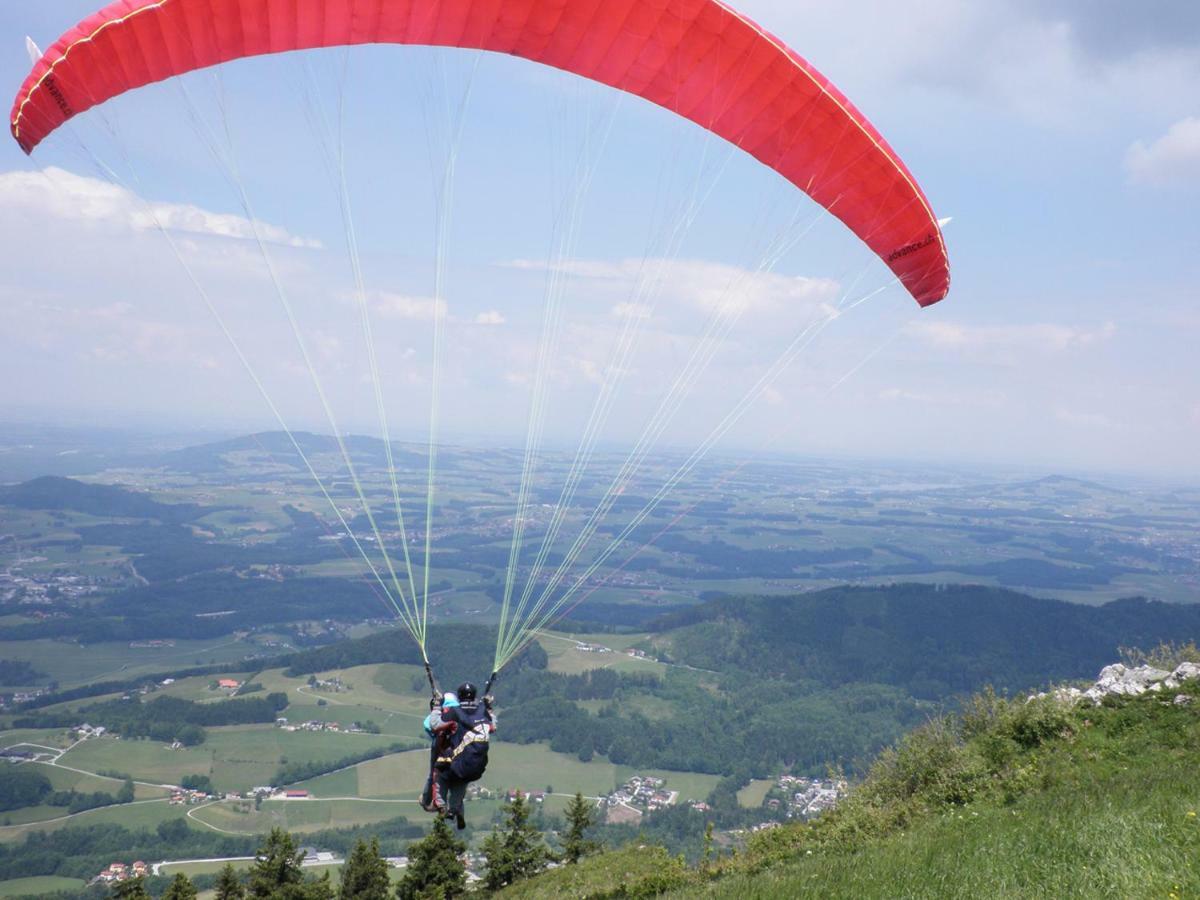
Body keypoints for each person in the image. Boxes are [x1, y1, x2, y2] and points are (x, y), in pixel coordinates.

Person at [432, 681, 495, 829]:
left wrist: (436, 706)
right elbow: (493, 726)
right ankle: (454, 809)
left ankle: (442, 806)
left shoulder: (455, 711)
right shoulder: (483, 711)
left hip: (458, 762)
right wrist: (489, 707)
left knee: (441, 773)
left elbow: (435, 725)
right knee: (461, 778)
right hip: (477, 766)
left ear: (459, 696)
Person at [419, 692, 457, 812]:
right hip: (453, 748)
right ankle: (452, 805)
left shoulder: (434, 718)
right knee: (456, 778)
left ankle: (427, 799)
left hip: (438, 747)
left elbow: (429, 726)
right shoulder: (457, 715)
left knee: (433, 774)